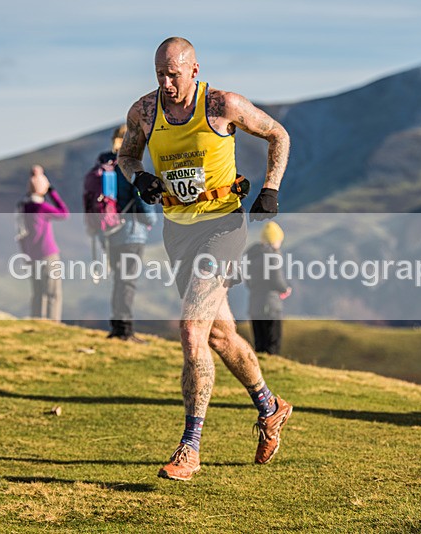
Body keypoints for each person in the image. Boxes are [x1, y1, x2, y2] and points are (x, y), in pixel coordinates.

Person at [118, 36, 292, 481]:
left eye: (173, 73)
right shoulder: (143, 112)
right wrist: (141, 180)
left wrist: (271, 188)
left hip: (223, 227)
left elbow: (278, 134)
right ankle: (271, 407)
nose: (166, 82)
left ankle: (189, 447)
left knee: (191, 331)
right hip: (178, 231)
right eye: (159, 73)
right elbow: (126, 156)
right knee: (219, 335)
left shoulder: (222, 105)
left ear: (194, 69)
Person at [94, 125, 158, 342]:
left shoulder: (104, 165)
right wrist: (151, 220)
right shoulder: (129, 165)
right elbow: (141, 196)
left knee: (119, 280)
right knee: (128, 281)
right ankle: (125, 331)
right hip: (132, 233)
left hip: (110, 232)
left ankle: (117, 326)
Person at [17, 165, 69, 322]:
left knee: (38, 292)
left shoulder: (24, 208)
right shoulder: (42, 208)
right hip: (48, 254)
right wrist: (52, 192)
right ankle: (53, 323)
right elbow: (64, 213)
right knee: (53, 292)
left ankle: (37, 321)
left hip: (31, 255)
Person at [245, 221, 291, 354]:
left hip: (254, 305)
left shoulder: (251, 255)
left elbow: (248, 282)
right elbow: (276, 279)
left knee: (259, 344)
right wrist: (285, 289)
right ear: (275, 240)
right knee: (273, 344)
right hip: (270, 305)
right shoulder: (273, 255)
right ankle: (272, 371)